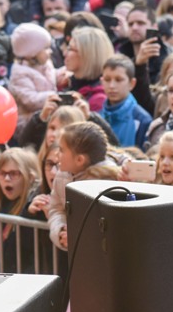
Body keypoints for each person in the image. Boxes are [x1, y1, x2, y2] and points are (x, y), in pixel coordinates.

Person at [48, 122, 119, 250]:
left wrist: (77, 237)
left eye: (62, 150)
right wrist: (61, 231)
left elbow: (109, 224)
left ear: (79, 160)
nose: (57, 154)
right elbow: (56, 208)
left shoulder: (108, 181)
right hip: (75, 255)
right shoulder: (61, 175)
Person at [98, 55, 152, 149]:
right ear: (101, 82)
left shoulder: (142, 120)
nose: (112, 86)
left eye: (118, 80)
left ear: (132, 83)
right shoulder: (98, 116)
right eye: (107, 80)